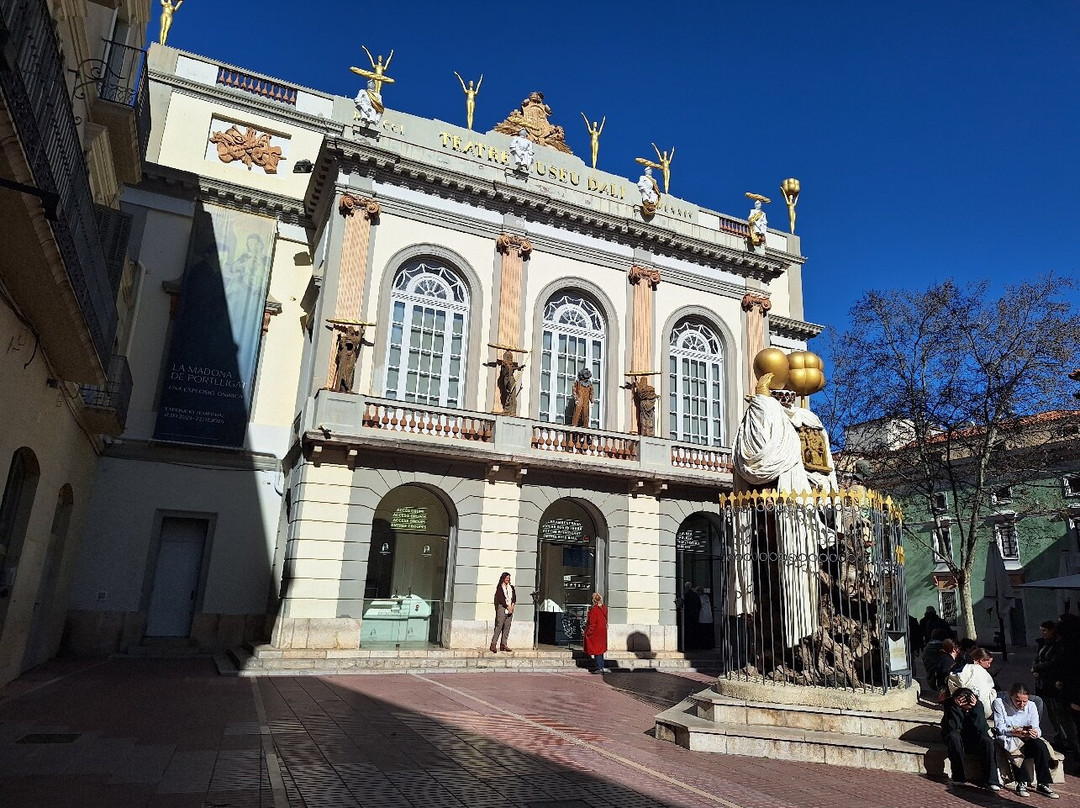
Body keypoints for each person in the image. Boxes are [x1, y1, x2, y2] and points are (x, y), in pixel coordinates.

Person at [992, 683, 1059, 798]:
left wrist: (1034, 733)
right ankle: (1021, 782)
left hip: (1026, 736)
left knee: (1040, 746)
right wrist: (1013, 732)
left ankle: (1043, 783)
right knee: (1016, 747)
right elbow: (999, 727)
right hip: (1010, 736)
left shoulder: (1032, 705)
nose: (1022, 705)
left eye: (1025, 701)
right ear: (1011, 696)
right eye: (1018, 701)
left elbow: (1037, 727)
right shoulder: (999, 703)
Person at [942, 687, 1001, 791]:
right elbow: (953, 727)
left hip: (973, 739)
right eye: (965, 708)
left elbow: (981, 728)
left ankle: (991, 780)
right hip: (958, 740)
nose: (967, 710)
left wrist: (976, 708)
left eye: (968, 708)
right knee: (953, 737)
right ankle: (958, 776)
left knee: (987, 741)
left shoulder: (978, 706)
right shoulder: (950, 706)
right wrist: (956, 708)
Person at [1033, 621, 1078, 751]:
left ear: (1053, 630)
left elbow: (1054, 663)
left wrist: (1037, 667)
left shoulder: (1059, 646)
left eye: (1045, 630)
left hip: (1053, 682)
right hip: (1043, 682)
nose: (1042, 633)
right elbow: (1038, 657)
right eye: (1041, 630)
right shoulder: (1044, 644)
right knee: (1052, 712)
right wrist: (1035, 667)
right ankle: (1060, 737)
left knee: (1060, 712)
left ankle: (1069, 740)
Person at [948, 648, 997, 720]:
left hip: (963, 706)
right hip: (984, 710)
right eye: (988, 663)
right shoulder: (980, 670)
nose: (989, 666)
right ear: (981, 660)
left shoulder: (962, 669)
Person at [490, 572, 517, 653]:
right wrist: (507, 606)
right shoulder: (499, 587)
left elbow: (514, 598)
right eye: (506, 577)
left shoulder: (511, 587)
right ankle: (493, 644)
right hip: (502, 608)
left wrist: (512, 606)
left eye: (509, 578)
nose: (507, 579)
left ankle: (503, 644)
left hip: (510, 608)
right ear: (503, 578)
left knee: (507, 627)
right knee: (499, 626)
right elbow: (500, 598)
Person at [584, 592, 608, 673]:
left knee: (596, 649)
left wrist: (588, 633)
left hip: (595, 632)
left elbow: (592, 623)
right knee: (600, 650)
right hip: (602, 631)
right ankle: (601, 665)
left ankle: (599, 667)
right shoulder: (604, 608)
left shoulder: (594, 610)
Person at [681, 582, 700, 651]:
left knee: (688, 631)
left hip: (688, 615)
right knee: (694, 631)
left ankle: (688, 646)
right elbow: (699, 605)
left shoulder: (686, 595)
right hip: (694, 616)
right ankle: (694, 646)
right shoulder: (695, 595)